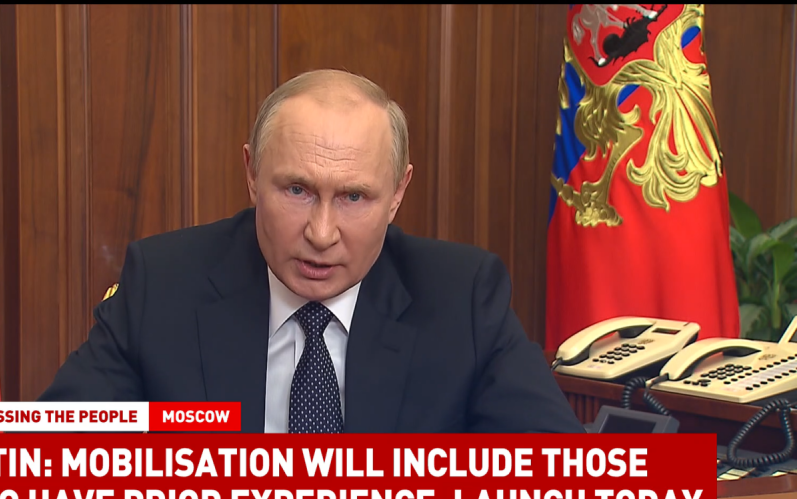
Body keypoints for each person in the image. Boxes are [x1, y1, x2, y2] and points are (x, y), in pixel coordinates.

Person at [39, 69, 583, 435]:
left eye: (354, 197)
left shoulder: (461, 299)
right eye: (297, 190)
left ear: (398, 192)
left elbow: (564, 486)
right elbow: (44, 464)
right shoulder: (164, 284)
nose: (322, 234)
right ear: (252, 173)